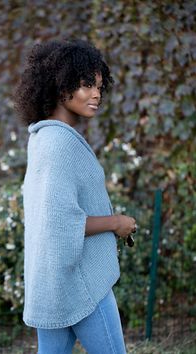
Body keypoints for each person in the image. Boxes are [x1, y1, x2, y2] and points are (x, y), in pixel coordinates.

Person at [13, 38, 136, 354]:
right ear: (60, 86)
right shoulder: (59, 144)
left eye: (99, 86)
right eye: (86, 85)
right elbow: (59, 222)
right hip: (79, 282)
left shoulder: (42, 138)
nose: (96, 94)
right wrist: (117, 222)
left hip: (50, 281)